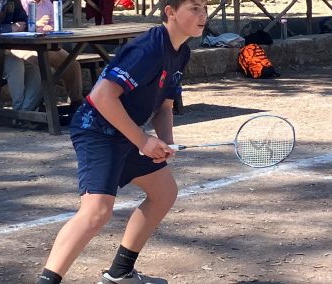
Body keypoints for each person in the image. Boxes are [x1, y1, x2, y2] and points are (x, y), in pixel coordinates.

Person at [37, 0, 207, 283]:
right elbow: (102, 97)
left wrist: (166, 142)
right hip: (97, 130)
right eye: (194, 8)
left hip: (124, 133)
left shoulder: (182, 52)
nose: (203, 15)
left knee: (164, 192)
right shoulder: (149, 47)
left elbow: (164, 107)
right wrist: (142, 141)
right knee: (96, 212)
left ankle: (120, 273)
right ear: (171, 12)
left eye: (204, 8)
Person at [12, 0, 83, 114]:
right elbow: (17, 25)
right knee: (44, 68)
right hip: (22, 46)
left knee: (72, 64)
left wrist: (50, 27)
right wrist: (35, 24)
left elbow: (55, 23)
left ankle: (76, 104)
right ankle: (37, 109)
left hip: (46, 45)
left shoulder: (47, 3)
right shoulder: (21, 3)